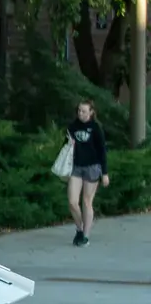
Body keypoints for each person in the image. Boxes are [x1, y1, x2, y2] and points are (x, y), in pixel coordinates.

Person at [66, 100, 109, 246]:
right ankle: (79, 228)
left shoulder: (95, 128)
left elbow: (102, 151)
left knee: (86, 201)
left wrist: (105, 173)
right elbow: (65, 146)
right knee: (72, 202)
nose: (80, 114)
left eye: (84, 111)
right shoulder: (73, 126)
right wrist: (68, 143)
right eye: (79, 111)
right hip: (76, 166)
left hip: (92, 167)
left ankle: (85, 236)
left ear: (91, 112)